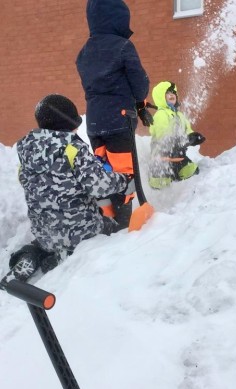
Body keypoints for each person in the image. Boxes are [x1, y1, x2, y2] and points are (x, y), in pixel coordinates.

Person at [0, 94, 134, 290]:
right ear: (68, 122)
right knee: (113, 229)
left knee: (44, 242)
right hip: (80, 230)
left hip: (44, 230)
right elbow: (99, 185)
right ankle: (66, 256)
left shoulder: (26, 149)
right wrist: (122, 181)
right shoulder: (72, 148)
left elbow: (23, 180)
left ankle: (30, 256)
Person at [76, 0, 152, 229]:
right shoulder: (122, 46)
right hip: (119, 121)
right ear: (118, 18)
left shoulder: (84, 51)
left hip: (95, 123)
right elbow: (139, 86)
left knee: (103, 171)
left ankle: (106, 218)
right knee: (124, 173)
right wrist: (139, 101)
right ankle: (124, 223)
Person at [148, 81, 206, 189]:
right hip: (162, 161)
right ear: (161, 96)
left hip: (179, 158)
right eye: (168, 93)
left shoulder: (179, 115)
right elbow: (163, 137)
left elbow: (187, 129)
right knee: (161, 185)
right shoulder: (160, 115)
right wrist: (183, 139)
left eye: (173, 92)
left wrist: (192, 136)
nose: (172, 95)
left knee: (193, 172)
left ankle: (188, 197)